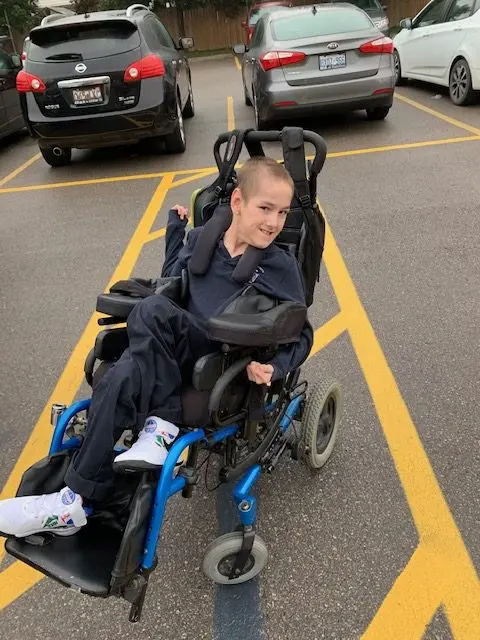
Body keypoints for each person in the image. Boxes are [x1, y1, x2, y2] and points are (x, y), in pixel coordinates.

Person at [0, 156, 313, 538]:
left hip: (220, 361)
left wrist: (275, 368)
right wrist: (175, 232)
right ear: (236, 202)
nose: (274, 222)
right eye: (265, 208)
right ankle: (74, 502)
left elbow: (302, 332)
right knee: (121, 372)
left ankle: (158, 428)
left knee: (150, 317)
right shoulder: (202, 240)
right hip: (172, 349)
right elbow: (170, 281)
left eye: (282, 212)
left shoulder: (279, 266)